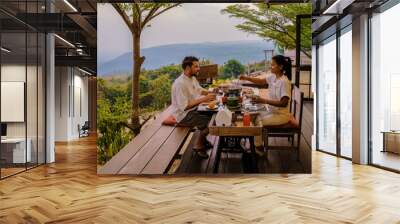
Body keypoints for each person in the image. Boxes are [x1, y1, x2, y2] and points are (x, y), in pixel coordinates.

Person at [239, 55, 292, 150]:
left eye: (273, 65)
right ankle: (255, 143)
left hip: (281, 115)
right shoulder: (273, 77)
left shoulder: (284, 82)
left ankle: (258, 148)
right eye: (270, 64)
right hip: (272, 111)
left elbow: (284, 103)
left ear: (280, 67)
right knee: (253, 116)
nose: (270, 66)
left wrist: (263, 100)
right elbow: (260, 81)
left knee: (257, 123)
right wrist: (246, 78)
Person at [171, 56, 216, 159]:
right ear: (187, 68)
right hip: (183, 116)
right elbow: (185, 106)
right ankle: (198, 146)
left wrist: (212, 92)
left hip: (194, 109)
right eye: (196, 67)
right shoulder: (180, 84)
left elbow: (199, 90)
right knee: (212, 122)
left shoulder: (192, 78)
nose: (198, 69)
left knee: (213, 114)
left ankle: (203, 140)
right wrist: (204, 99)